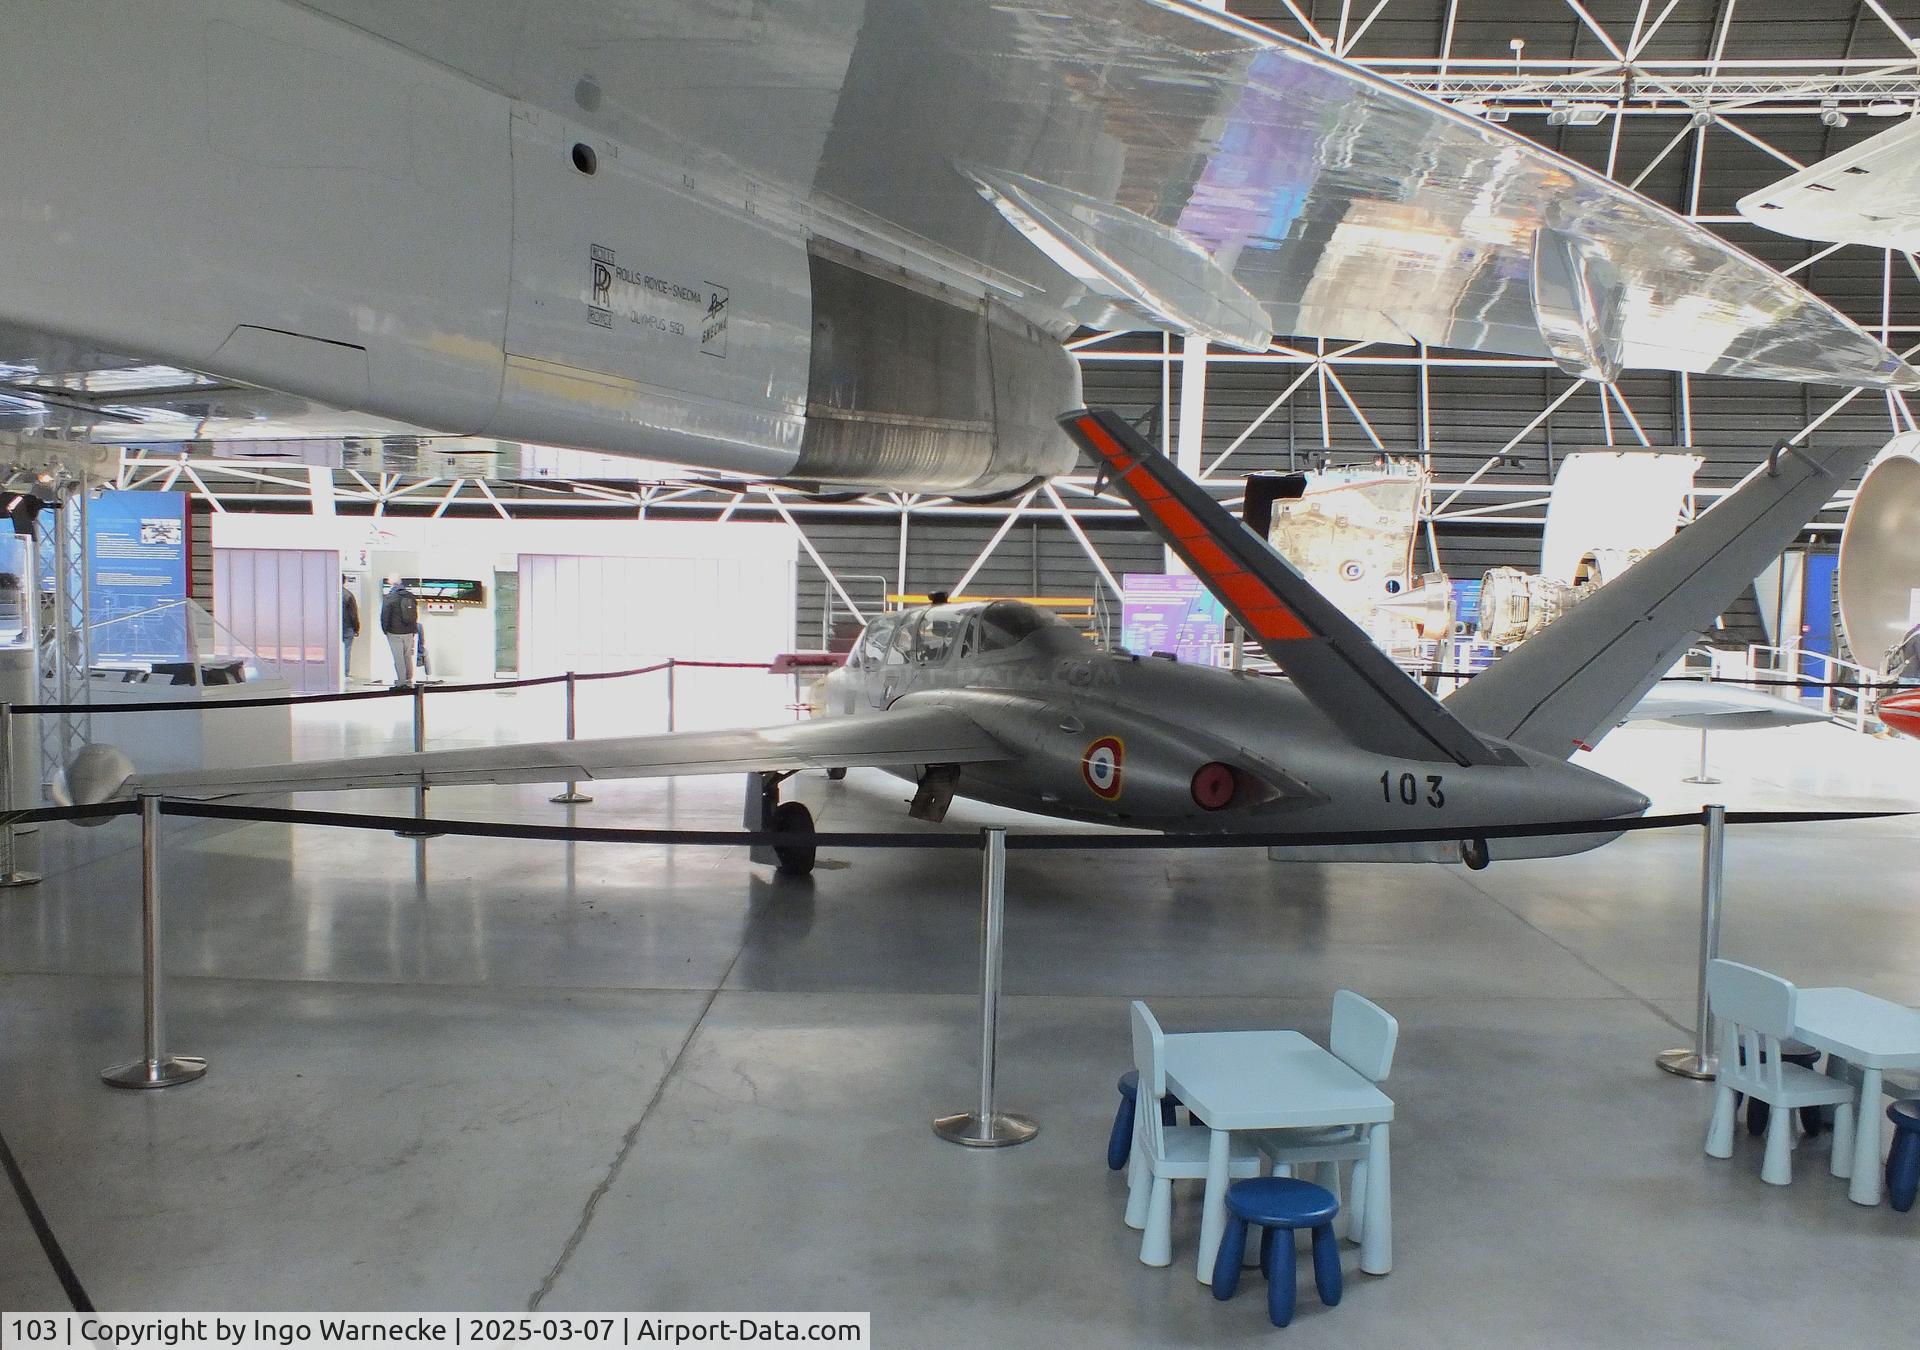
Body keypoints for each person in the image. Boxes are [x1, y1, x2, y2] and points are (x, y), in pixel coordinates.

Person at [379, 578, 420, 687]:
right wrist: (414, 630)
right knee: (407, 656)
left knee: (398, 658)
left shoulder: (389, 598)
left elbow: (384, 616)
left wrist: (385, 630)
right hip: (409, 632)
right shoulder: (411, 596)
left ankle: (401, 681)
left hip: (394, 632)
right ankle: (408, 679)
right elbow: (415, 614)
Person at [340, 580, 361, 682]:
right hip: (347, 627)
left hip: (333, 629)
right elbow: (353, 614)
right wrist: (356, 628)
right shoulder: (348, 595)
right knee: (346, 650)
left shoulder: (329, 594)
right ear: (344, 581)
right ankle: (344, 674)